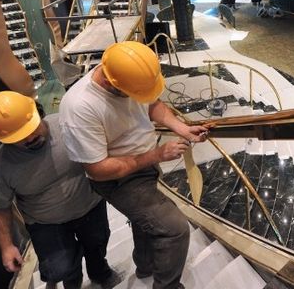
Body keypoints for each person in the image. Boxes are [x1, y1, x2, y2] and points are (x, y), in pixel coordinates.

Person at [59, 41, 209, 289]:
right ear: (110, 82)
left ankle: (145, 267)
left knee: (147, 223)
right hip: (118, 179)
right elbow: (97, 170)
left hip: (144, 161)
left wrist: (183, 128)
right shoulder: (80, 108)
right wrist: (157, 155)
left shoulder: (128, 76)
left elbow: (153, 104)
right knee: (174, 229)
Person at [0, 91, 118, 289]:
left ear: (38, 112)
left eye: (31, 128)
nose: (29, 138)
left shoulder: (68, 124)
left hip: (90, 206)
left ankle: (100, 273)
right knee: (61, 267)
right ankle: (72, 280)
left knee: (97, 244)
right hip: (46, 223)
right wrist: (7, 246)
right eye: (17, 137)